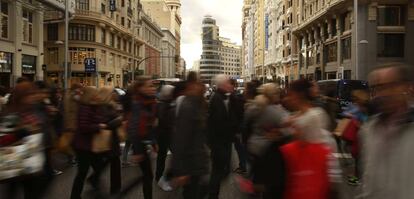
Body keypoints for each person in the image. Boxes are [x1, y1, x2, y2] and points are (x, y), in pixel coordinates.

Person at [279, 79, 342, 199]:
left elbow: (323, 147)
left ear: (299, 95)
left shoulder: (314, 116)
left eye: (290, 94)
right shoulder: (296, 116)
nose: (288, 98)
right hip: (303, 175)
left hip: (313, 176)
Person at [358, 65, 414, 199]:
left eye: (391, 86)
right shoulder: (369, 130)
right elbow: (369, 179)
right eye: (378, 88)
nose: (384, 94)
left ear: (407, 88)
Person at [243, 83, 290, 198]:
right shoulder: (274, 111)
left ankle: (254, 188)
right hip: (268, 150)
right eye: (277, 92)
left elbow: (246, 127)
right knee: (270, 183)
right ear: (273, 95)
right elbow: (289, 128)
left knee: (258, 176)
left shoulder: (253, 106)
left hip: (253, 147)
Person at [171, 80, 210, 199]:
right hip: (190, 164)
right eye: (198, 85)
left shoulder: (197, 105)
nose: (202, 88)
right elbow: (181, 139)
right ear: (190, 87)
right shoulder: (188, 107)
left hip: (196, 163)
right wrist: (181, 171)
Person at [70, 86, 112, 199]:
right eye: (96, 93)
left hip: (91, 145)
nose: (98, 95)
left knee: (99, 167)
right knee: (82, 173)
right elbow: (84, 127)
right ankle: (75, 196)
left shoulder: (94, 107)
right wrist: (99, 126)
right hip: (83, 146)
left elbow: (100, 119)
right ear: (90, 95)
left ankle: (95, 185)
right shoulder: (84, 108)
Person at [120, 76, 158, 199]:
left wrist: (153, 142)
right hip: (139, 143)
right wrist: (137, 151)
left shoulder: (150, 102)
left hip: (145, 142)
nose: (153, 88)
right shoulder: (137, 103)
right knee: (147, 175)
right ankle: (123, 193)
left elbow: (150, 126)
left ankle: (123, 192)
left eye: (153, 85)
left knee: (146, 175)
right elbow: (133, 127)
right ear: (140, 88)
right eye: (149, 86)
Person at [207, 74, 239, 199]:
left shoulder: (225, 97)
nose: (230, 85)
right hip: (219, 143)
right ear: (221, 85)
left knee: (221, 170)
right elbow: (217, 123)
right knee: (219, 171)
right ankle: (210, 193)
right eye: (228, 83)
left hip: (223, 142)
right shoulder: (216, 99)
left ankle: (211, 192)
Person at [155, 85, 175, 190]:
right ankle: (161, 178)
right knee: (164, 157)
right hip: (166, 136)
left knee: (161, 157)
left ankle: (159, 177)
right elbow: (164, 121)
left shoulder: (162, 104)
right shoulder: (165, 105)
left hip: (164, 135)